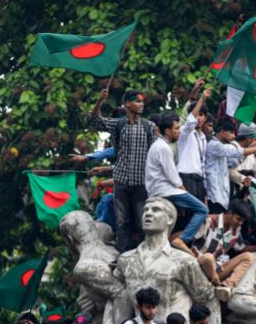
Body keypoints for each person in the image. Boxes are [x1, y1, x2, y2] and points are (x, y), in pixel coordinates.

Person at [90, 88, 158, 252]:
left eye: (142, 101)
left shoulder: (149, 127)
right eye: (137, 101)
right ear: (127, 104)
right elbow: (94, 120)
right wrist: (100, 100)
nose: (141, 104)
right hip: (121, 182)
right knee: (122, 222)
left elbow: (155, 157)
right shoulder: (118, 124)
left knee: (143, 223)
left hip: (142, 183)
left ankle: (144, 254)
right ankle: (122, 255)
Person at [145, 112, 209, 253]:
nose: (179, 131)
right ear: (167, 131)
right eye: (176, 128)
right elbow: (173, 176)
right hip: (165, 190)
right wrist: (183, 190)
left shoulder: (158, 145)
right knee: (203, 209)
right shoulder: (163, 148)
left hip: (160, 189)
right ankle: (183, 238)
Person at [204, 117, 256, 213]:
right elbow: (238, 152)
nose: (234, 137)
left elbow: (235, 162)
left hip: (222, 196)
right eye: (231, 133)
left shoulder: (223, 146)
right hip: (214, 195)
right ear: (221, 131)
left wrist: (253, 149)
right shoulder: (214, 145)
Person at [191, 199, 256, 297]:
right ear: (230, 213)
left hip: (217, 268)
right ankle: (216, 281)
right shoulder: (209, 220)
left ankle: (226, 286)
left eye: (243, 221)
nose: (240, 223)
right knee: (209, 257)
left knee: (248, 257)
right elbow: (190, 240)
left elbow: (242, 248)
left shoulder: (236, 230)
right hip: (200, 264)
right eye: (238, 219)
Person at [177, 85, 212, 201]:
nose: (198, 118)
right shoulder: (184, 131)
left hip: (199, 181)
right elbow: (190, 121)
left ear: (206, 118)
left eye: (201, 115)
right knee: (187, 215)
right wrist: (202, 99)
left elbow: (203, 165)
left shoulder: (204, 139)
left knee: (201, 214)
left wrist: (205, 191)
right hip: (185, 178)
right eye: (196, 115)